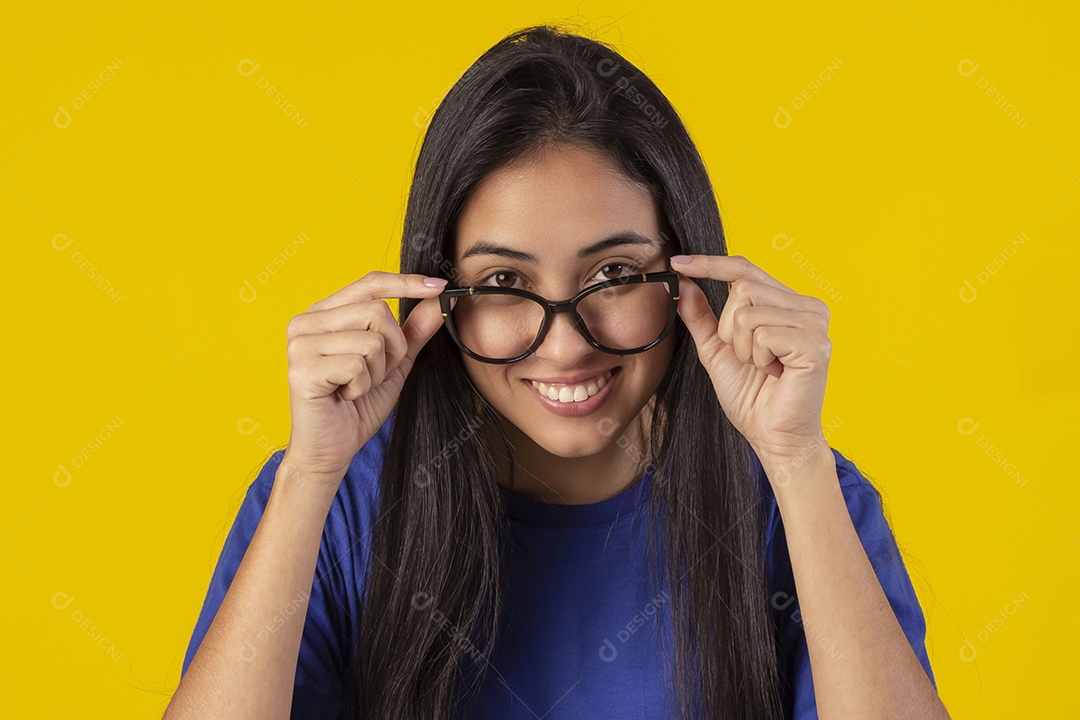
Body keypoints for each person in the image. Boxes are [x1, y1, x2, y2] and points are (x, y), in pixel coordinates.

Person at [164, 23, 948, 720]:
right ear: (438, 297)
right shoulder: (333, 502)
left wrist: (795, 460)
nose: (567, 345)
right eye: (504, 283)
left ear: (686, 276)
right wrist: (311, 474)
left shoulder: (802, 500)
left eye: (613, 275)